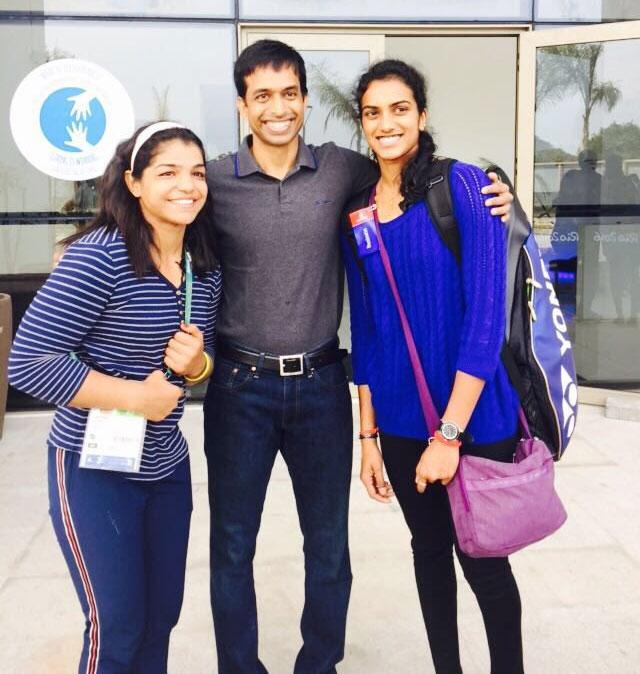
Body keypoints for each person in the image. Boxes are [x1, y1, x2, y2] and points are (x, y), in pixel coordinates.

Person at [204, 39, 513, 674]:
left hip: (341, 388)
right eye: (261, 95)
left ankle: (319, 664)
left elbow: (484, 307)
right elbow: (153, 199)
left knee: (343, 549)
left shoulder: (358, 174)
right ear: (242, 106)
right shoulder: (217, 181)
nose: (277, 108)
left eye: (289, 93)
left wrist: (506, 196)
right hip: (251, 389)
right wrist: (88, 246)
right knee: (235, 546)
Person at [8, 122, 222, 674]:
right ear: (133, 182)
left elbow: (201, 366)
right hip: (92, 470)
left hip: (166, 468)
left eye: (196, 173)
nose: (187, 185)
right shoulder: (100, 256)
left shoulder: (203, 265)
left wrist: (196, 363)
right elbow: (28, 361)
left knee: (161, 618)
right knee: (117, 628)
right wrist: (135, 398)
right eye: (167, 172)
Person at [342, 60, 525, 674]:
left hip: (473, 416)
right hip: (394, 418)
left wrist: (449, 434)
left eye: (399, 109)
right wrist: (366, 437)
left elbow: (483, 324)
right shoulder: (358, 210)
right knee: (428, 551)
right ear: (361, 123)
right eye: (373, 112)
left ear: (421, 115)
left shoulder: (465, 187)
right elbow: (365, 332)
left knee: (482, 560)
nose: (386, 123)